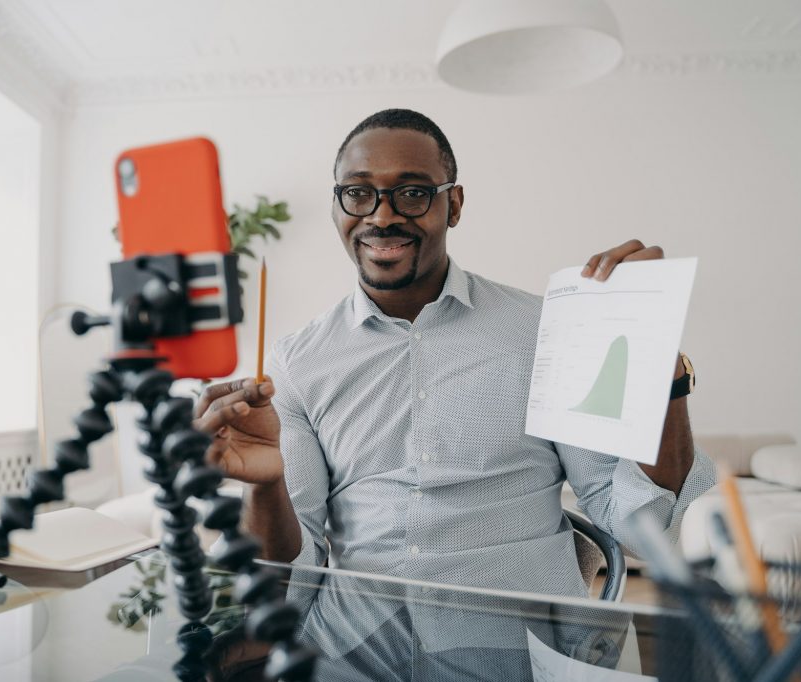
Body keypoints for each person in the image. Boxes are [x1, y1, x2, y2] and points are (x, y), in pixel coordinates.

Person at [193, 109, 715, 597]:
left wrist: (661, 366)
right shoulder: (296, 362)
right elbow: (291, 571)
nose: (383, 216)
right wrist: (264, 489)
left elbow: (641, 529)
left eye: (413, 193)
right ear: (337, 206)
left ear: (455, 204)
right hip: (366, 654)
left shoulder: (546, 329)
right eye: (358, 193)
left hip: (526, 651)